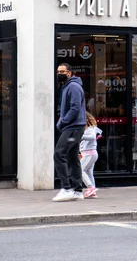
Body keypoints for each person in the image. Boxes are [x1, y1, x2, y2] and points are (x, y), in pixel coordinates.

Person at [53, 63, 86, 202]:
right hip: (74, 126)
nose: (59, 73)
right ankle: (78, 191)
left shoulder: (73, 87)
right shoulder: (68, 86)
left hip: (73, 127)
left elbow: (75, 108)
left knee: (59, 154)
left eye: (62, 71)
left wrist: (62, 122)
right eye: (58, 71)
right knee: (72, 157)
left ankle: (66, 188)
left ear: (70, 73)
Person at [81, 112, 102, 199]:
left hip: (89, 154)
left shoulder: (90, 129)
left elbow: (92, 137)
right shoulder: (89, 129)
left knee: (80, 170)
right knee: (89, 173)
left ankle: (90, 187)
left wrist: (81, 136)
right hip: (89, 154)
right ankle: (92, 192)